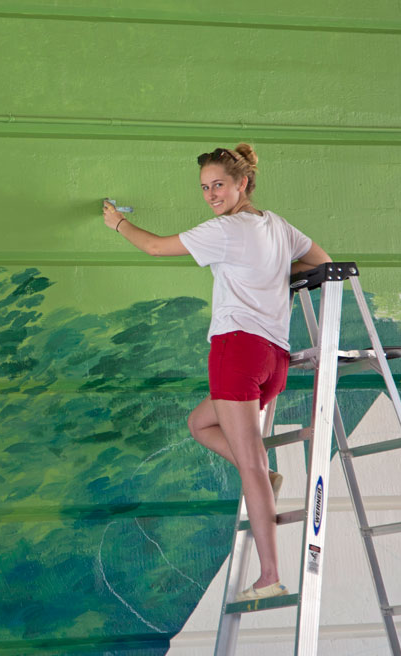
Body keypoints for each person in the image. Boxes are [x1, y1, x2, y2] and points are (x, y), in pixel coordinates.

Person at [103, 144, 331, 601]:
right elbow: (323, 263)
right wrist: (274, 274)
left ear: (242, 183)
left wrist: (118, 222)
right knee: (199, 424)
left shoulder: (226, 230)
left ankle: (269, 575)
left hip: (237, 351)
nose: (211, 194)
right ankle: (264, 482)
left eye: (218, 185)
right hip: (274, 359)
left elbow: (153, 247)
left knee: (250, 461)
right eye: (205, 188)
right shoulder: (278, 227)